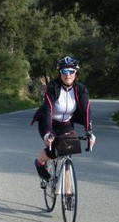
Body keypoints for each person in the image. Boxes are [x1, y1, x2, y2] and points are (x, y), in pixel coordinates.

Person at [30, 55, 95, 187]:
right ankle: (40, 162)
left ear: (76, 73)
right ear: (60, 73)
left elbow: (86, 110)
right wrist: (48, 132)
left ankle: (69, 194)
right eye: (64, 71)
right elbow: (48, 109)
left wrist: (89, 132)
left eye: (71, 71)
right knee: (54, 151)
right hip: (48, 122)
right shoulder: (53, 87)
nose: (68, 74)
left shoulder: (80, 89)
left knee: (68, 150)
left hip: (66, 123)